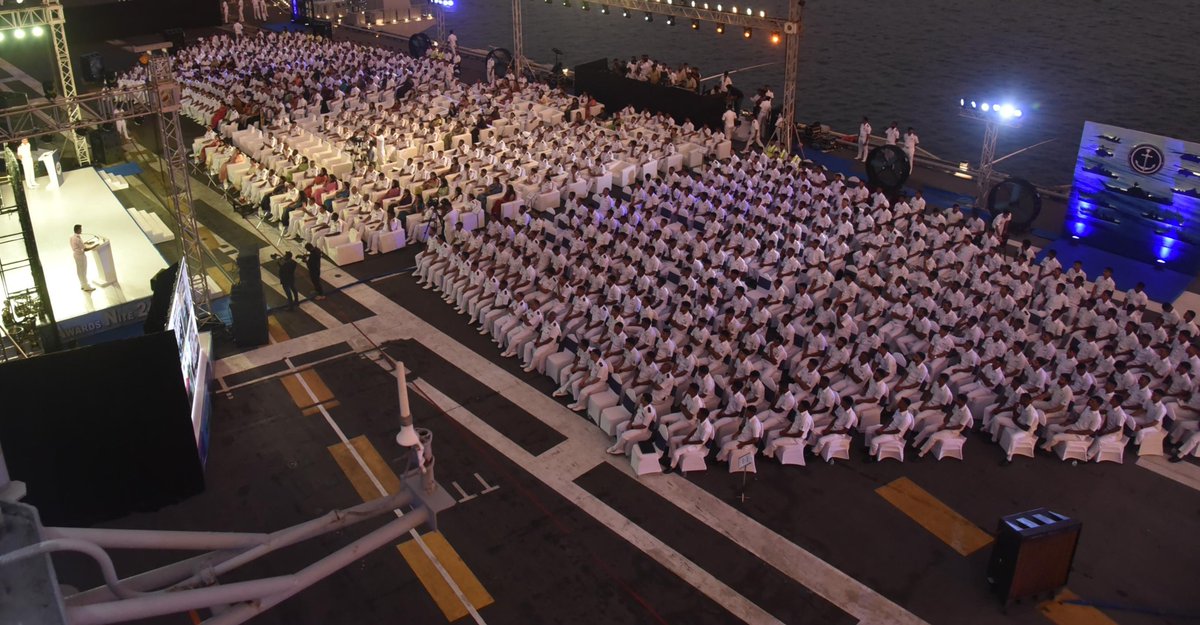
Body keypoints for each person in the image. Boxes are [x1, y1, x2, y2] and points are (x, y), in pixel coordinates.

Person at [69, 224, 97, 291]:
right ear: (78, 230)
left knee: (79, 271)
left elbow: (80, 245)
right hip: (80, 256)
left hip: (76, 255)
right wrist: (94, 245)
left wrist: (88, 243)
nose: (81, 230)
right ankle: (86, 286)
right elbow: (84, 248)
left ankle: (82, 285)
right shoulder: (77, 238)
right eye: (81, 229)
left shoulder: (72, 237)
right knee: (83, 271)